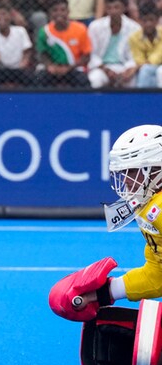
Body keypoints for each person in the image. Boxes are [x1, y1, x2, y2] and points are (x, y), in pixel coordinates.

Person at [49, 126, 162, 331]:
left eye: (132, 171)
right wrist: (100, 294)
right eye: (123, 172)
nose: (126, 180)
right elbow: (157, 276)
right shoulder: (150, 207)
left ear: (156, 170)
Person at [87, 0, 142, 88]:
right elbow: (92, 55)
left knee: (133, 83)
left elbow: (135, 56)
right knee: (95, 79)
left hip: (125, 67)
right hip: (102, 67)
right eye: (109, 8)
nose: (113, 11)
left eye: (117, 7)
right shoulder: (95, 26)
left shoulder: (135, 28)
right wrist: (106, 70)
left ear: (124, 8)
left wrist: (128, 71)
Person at [35, 0, 92, 87]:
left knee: (83, 81)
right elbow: (43, 53)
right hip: (53, 68)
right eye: (55, 10)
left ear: (68, 11)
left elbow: (86, 56)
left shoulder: (80, 29)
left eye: (62, 10)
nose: (59, 13)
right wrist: (50, 66)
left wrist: (69, 68)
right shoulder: (44, 31)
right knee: (38, 78)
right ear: (50, 13)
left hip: (74, 68)